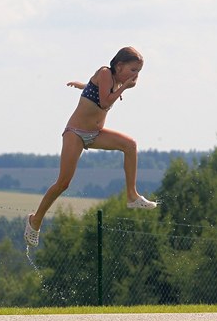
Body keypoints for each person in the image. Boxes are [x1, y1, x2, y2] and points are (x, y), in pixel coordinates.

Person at [24, 46, 157, 247]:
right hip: (75, 134)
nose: (136, 76)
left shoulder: (115, 81)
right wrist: (122, 88)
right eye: (133, 70)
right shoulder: (105, 72)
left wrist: (82, 86)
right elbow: (103, 102)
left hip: (95, 135)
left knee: (130, 145)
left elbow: (94, 90)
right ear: (119, 66)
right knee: (63, 183)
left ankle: (132, 196)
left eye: (139, 71)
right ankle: (35, 221)